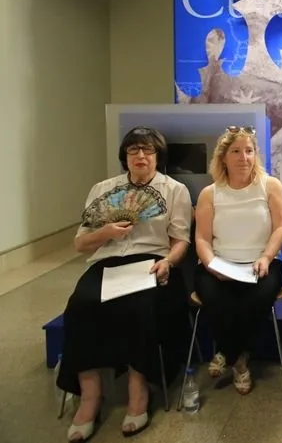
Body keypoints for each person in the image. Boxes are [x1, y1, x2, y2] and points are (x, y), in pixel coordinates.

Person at [59, 127, 192, 440]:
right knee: (80, 306)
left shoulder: (174, 190)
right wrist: (108, 233)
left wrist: (168, 262)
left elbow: (180, 239)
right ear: (125, 157)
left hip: (152, 263)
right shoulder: (103, 189)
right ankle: (90, 396)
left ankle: (138, 390)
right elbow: (81, 244)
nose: (141, 156)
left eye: (148, 151)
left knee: (139, 306)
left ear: (158, 156)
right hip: (107, 262)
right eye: (134, 151)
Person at [194, 126, 282, 395]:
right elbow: (201, 238)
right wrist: (212, 264)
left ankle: (229, 353)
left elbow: (281, 227)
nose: (243, 157)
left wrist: (266, 257)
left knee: (256, 298)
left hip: (261, 262)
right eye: (236, 151)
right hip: (219, 264)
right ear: (223, 157)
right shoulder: (210, 193)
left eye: (249, 151)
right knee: (215, 297)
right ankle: (240, 359)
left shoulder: (270, 185)